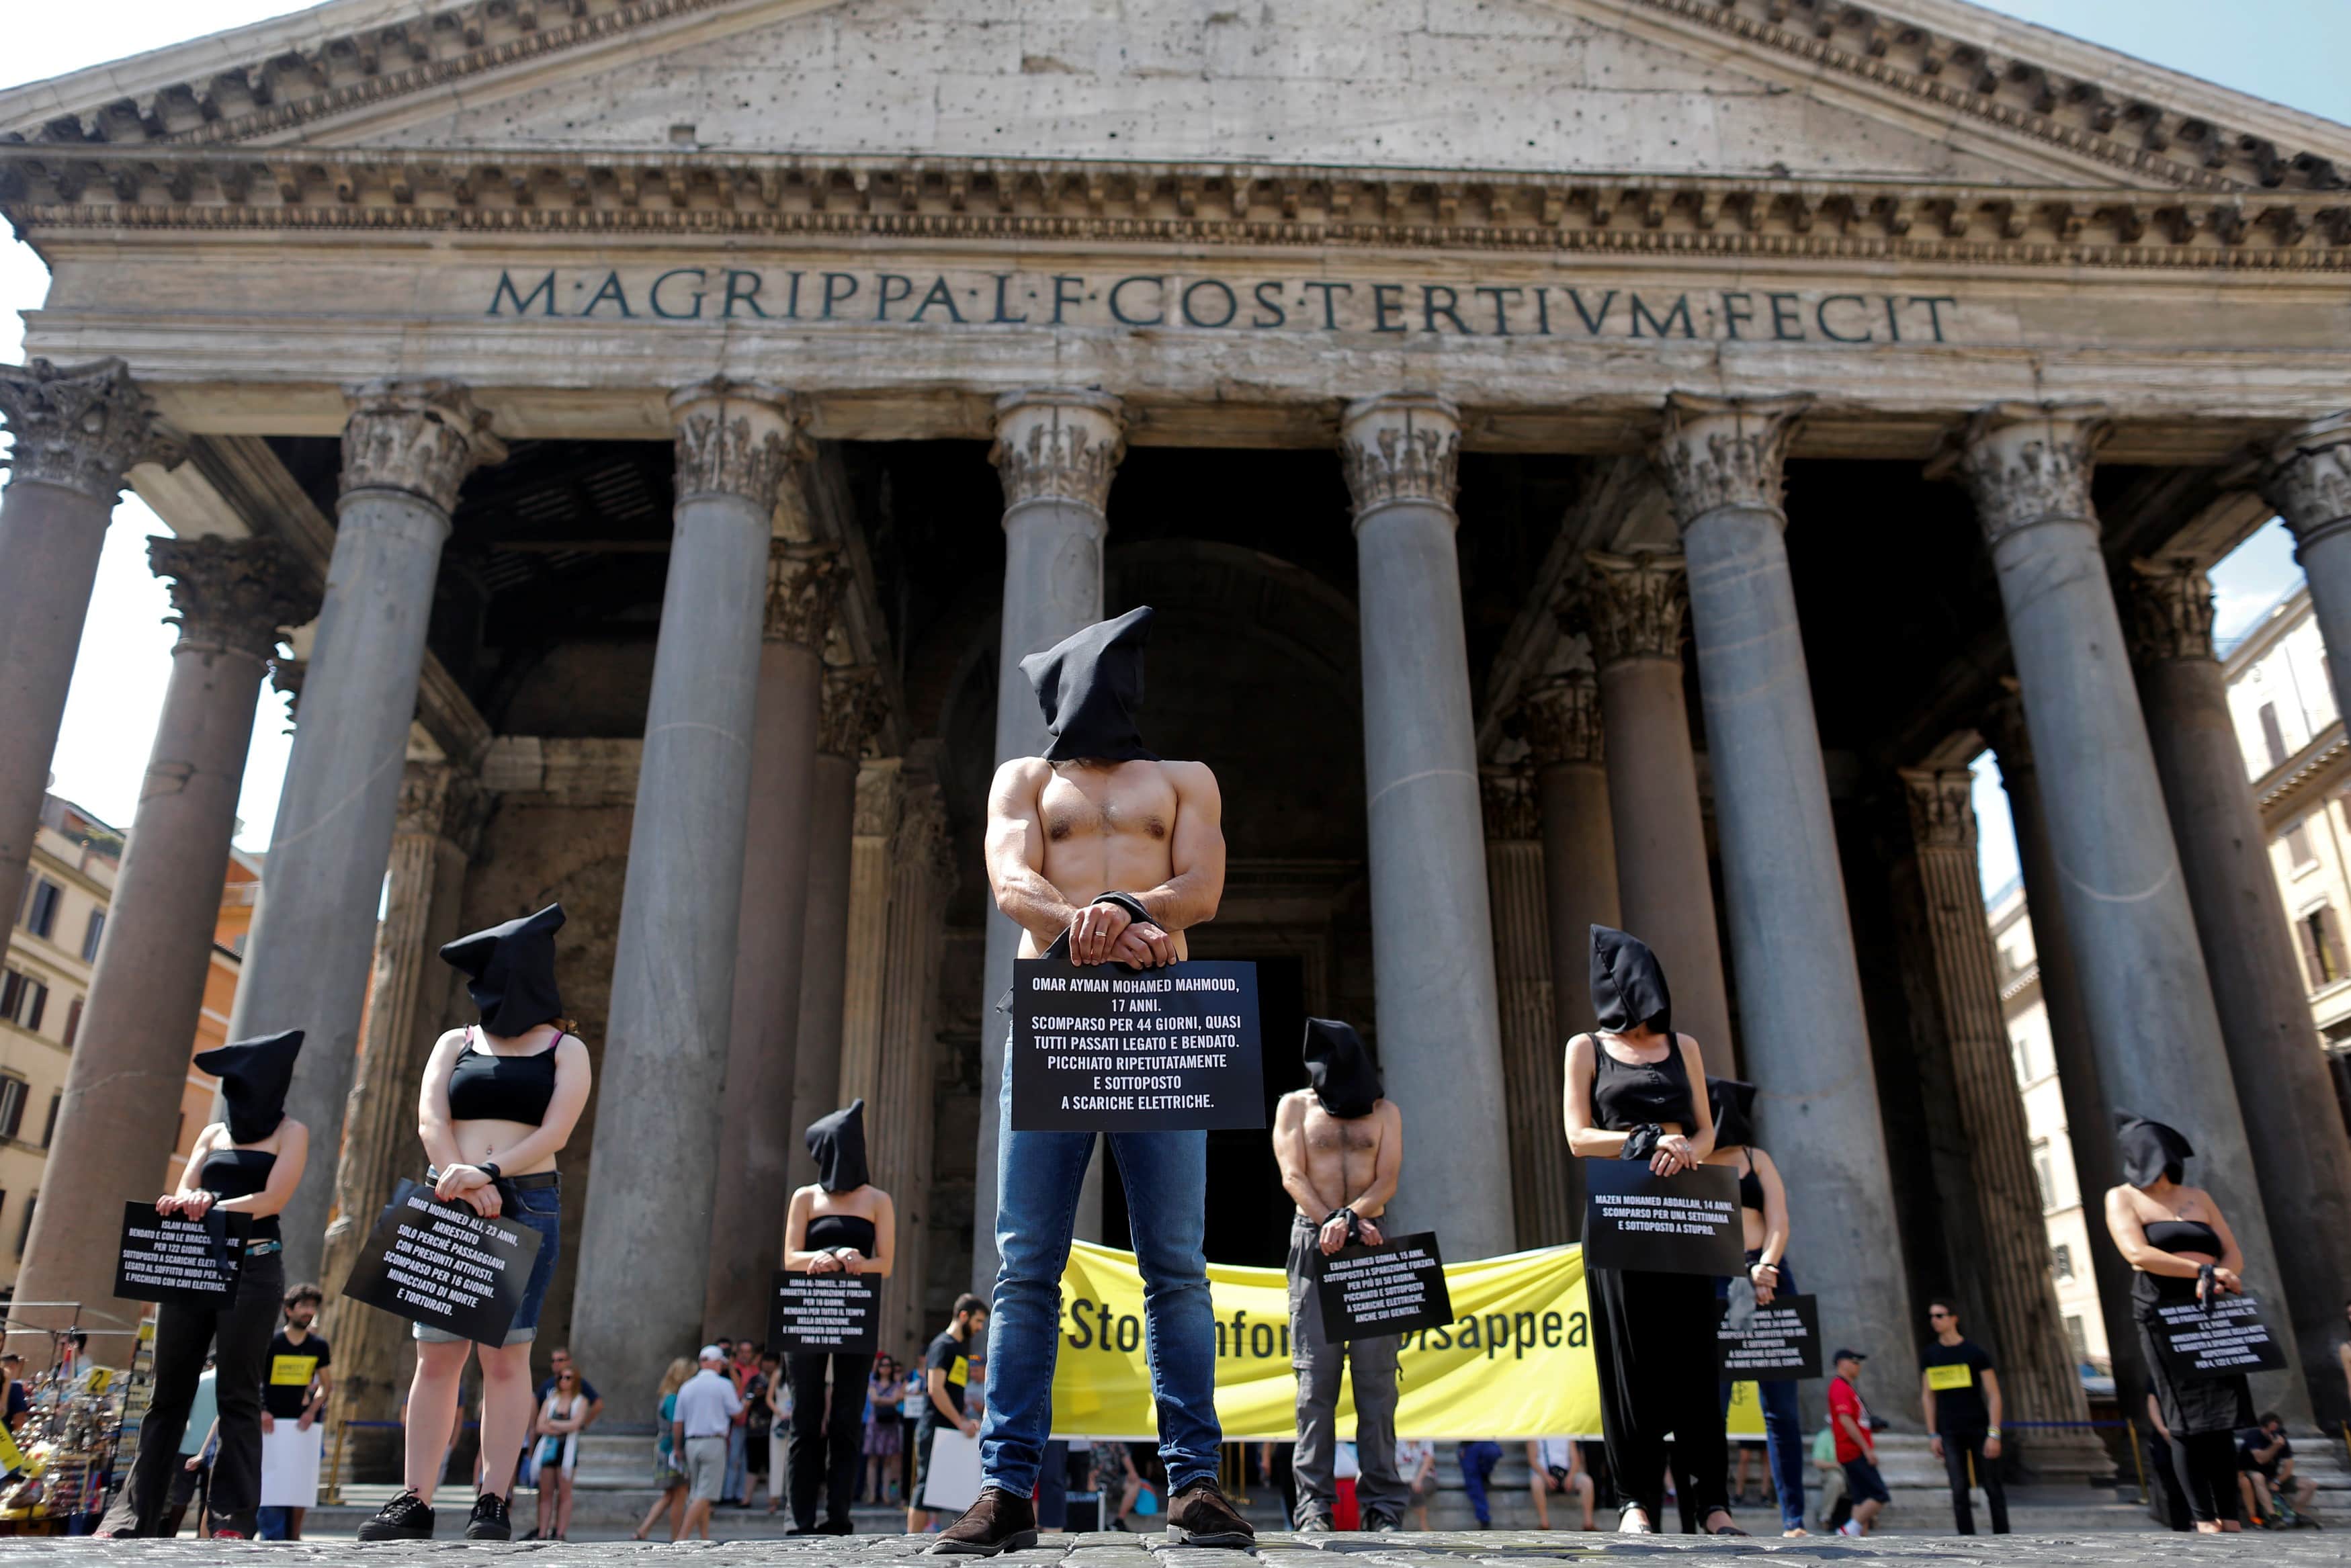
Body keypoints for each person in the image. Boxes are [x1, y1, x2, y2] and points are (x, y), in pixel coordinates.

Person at [936, 609, 1252, 1556]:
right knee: (1026, 1260)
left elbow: (1200, 884)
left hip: (1160, 1020)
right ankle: (1007, 1485)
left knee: (1175, 1262)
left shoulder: (1185, 779)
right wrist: (1091, 922)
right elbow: (1009, 881)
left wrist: (1127, 905)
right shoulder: (1024, 779)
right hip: (1055, 1022)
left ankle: (1192, 1481)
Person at [359, 904, 592, 1542]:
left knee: (506, 1358)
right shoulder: (455, 1042)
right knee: (435, 1357)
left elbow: (558, 1132)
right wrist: (459, 1177)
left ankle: (492, 1500)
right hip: (453, 1196)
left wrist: (488, 1173)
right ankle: (414, 1499)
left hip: (523, 1195)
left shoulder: (565, 1048)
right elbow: (430, 1120)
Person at [1563, 926, 1742, 1536]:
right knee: (1627, 1356)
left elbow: (1705, 1131)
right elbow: (1578, 1137)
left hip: (1685, 1208)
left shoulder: (1682, 1045)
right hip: (1620, 1208)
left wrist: (1682, 1149)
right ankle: (1633, 1500)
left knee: (1695, 1354)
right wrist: (1641, 1140)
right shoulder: (1586, 1048)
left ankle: (1710, 1503)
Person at [97, 1031, 308, 1540]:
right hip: (193, 1264)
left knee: (238, 1393)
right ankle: (130, 1517)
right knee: (167, 1393)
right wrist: (181, 1201)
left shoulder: (292, 1132)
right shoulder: (213, 1134)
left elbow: (273, 1199)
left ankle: (231, 1519)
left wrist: (211, 1205)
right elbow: (186, 1186)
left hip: (254, 1266)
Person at [1272, 1018, 1406, 1532]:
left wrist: (1353, 1217)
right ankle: (1313, 1507)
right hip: (1314, 1241)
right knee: (1315, 1385)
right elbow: (1291, 1173)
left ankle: (1383, 1507)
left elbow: (1388, 1176)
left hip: (1369, 1242)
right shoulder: (1295, 1107)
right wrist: (1328, 1219)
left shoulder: (1385, 1113)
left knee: (1377, 1385)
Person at [2103, 1112, 2252, 1533]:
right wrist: (2202, 1274)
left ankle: (2231, 1514)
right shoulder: (2124, 1197)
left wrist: (2221, 1275)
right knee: (2184, 1414)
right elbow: (2137, 1254)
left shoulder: (2197, 1196)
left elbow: (2232, 1250)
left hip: (2214, 1303)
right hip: (2163, 1305)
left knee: (2224, 1413)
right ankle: (2203, 1517)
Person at [782, 1099, 896, 1535]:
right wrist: (827, 1254)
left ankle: (839, 1515)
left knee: (847, 1416)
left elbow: (883, 1264)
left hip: (854, 1312)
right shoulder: (806, 1197)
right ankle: (799, 1516)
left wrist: (854, 1258)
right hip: (809, 1312)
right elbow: (791, 1257)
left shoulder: (876, 1201)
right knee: (805, 1416)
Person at [1702, 1076, 1805, 1538]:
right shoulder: (1693, 1161)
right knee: (1714, 1406)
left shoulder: (1754, 1159)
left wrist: (1766, 1267)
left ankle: (1794, 1520)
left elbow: (1779, 1217)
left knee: (1781, 1409)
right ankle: (1715, 1509)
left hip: (1770, 1274)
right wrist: (1744, 1277)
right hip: (1722, 1278)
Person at [1919, 1297, 2006, 1534]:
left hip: (1979, 1428)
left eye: (1939, 1315)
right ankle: (1966, 1539)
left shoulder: (1974, 1353)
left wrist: (1994, 1433)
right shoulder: (1930, 1355)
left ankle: (2003, 1538)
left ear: (1953, 1318)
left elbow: (1994, 1394)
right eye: (1931, 1316)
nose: (1934, 1321)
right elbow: (1928, 1396)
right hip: (1949, 1430)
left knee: (1992, 1486)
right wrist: (1932, 1434)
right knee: (1958, 1489)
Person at [255, 1282, 331, 1539]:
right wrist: (262, 1410)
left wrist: (311, 1411)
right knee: (271, 1480)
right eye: (304, 1306)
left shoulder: (318, 1346)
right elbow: (256, 1379)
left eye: (313, 1306)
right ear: (289, 1310)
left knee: (300, 1481)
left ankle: (294, 1536)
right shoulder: (272, 1342)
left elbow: (326, 1385)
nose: (309, 1311)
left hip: (302, 1425)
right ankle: (271, 1536)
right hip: (272, 1423)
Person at [909, 1293, 988, 1533]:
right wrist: (960, 1421)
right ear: (963, 1315)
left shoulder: (959, 1348)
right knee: (925, 1485)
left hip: (952, 1428)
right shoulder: (942, 1345)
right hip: (935, 1427)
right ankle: (910, 1541)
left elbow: (952, 1390)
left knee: (953, 1486)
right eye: (978, 1321)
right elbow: (935, 1388)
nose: (979, 1327)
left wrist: (964, 1418)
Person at [673, 1346, 744, 1541]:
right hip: (713, 1442)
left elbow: (678, 1421)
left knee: (699, 1492)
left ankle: (704, 1537)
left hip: (691, 1443)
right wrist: (747, 1403)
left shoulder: (687, 1386)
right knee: (704, 1494)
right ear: (715, 1363)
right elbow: (737, 1413)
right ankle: (682, 1537)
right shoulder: (723, 1385)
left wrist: (677, 1447)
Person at [1826, 1349, 1888, 1536]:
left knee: (1861, 1498)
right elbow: (1845, 1420)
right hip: (1852, 1450)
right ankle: (1847, 1530)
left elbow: (1855, 1419)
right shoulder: (1839, 1387)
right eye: (1854, 1362)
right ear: (1842, 1363)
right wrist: (1866, 1449)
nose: (1857, 1366)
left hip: (1854, 1448)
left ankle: (1859, 1539)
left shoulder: (1848, 1387)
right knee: (1879, 1495)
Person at [633, 1358, 695, 1541]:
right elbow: (677, 1424)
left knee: (670, 1494)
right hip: (671, 1449)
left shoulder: (668, 1396)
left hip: (667, 1447)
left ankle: (643, 1530)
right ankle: (677, 1537)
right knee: (679, 1494)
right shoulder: (673, 1398)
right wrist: (678, 1448)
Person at [160, 1363, 220, 1538]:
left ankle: (170, 1534)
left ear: (210, 1363)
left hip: (188, 1444)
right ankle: (202, 1537)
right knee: (207, 1497)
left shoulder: (199, 1380)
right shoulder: (229, 1384)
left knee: (180, 1496)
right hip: (213, 1447)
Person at [530, 1366, 589, 1539]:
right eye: (562, 1377)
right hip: (548, 1450)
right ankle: (542, 1532)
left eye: (569, 1378)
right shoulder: (551, 1401)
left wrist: (553, 1424)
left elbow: (575, 1425)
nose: (564, 1381)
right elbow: (540, 1426)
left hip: (567, 1451)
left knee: (564, 1493)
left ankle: (560, 1532)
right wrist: (562, 1427)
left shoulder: (581, 1401)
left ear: (575, 1380)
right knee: (545, 1492)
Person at [2237, 1412, 2316, 1526]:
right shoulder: (2254, 1436)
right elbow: (2261, 1459)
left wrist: (2277, 1481)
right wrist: (2275, 1446)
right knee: (2258, 1477)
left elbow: (2289, 1466)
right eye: (2272, 1430)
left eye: (2276, 1430)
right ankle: (2272, 1516)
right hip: (2250, 1474)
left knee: (2310, 1485)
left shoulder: (2282, 1440)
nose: (2274, 1434)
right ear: (2264, 1428)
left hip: (2272, 1476)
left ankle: (2295, 1514)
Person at [2144, 1393, 2192, 1530]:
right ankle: (2182, 1525)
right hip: (2167, 1439)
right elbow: (2152, 1401)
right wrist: (2163, 1430)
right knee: (2174, 1488)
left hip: (2192, 1432)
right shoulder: (2158, 1376)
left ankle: (2200, 1519)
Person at [1527, 1438, 1596, 1530]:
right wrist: (1546, 1477)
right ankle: (1544, 1523)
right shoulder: (1535, 1435)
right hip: (1544, 1475)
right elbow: (1532, 1460)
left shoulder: (1567, 1435)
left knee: (1587, 1482)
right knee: (1536, 1482)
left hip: (1566, 1474)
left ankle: (1588, 1523)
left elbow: (1575, 1459)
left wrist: (1570, 1476)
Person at [863, 1356, 903, 1504]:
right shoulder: (873, 1382)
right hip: (875, 1424)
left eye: (888, 1365)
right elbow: (874, 1399)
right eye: (883, 1365)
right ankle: (871, 1494)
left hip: (890, 1424)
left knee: (888, 1461)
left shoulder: (897, 1383)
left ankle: (885, 1495)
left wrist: (882, 1399)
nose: (886, 1368)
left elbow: (894, 1399)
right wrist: (889, 1399)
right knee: (872, 1459)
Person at [746, 1351, 779, 1509]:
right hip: (754, 1428)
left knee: (770, 1465)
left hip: (773, 1428)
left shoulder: (780, 1379)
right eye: (765, 1361)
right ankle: (746, 1499)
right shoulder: (755, 1380)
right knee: (752, 1464)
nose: (768, 1364)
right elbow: (746, 1399)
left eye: (771, 1361)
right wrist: (755, 1395)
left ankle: (772, 1500)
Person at [767, 1362, 794, 1516]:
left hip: (795, 1418)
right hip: (780, 1418)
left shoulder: (801, 1371)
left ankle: (792, 1498)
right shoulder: (778, 1374)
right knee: (777, 1458)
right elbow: (769, 1398)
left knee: (793, 1459)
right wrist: (780, 1413)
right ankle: (774, 1497)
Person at [1457, 1440, 1504, 1529]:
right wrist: (1463, 1446)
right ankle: (1484, 1520)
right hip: (1468, 1444)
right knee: (1473, 1481)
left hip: (1486, 1440)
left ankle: (1484, 1473)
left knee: (1493, 1452)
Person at [1396, 1438, 1437, 1531]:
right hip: (1403, 1476)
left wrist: (1417, 1480)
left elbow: (1428, 1462)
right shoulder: (1399, 1441)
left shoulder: (1426, 1440)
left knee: (1416, 1488)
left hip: (1424, 1476)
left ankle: (1423, 1525)